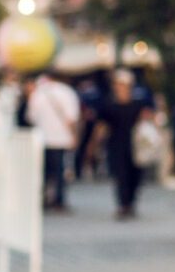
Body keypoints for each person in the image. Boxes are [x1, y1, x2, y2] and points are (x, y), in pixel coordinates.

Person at [94, 68, 157, 220]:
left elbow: (151, 118)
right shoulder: (109, 105)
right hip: (116, 144)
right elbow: (102, 125)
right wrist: (94, 144)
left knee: (135, 175)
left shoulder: (139, 103)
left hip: (135, 145)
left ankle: (131, 203)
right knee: (120, 175)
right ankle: (123, 205)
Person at [25, 69, 82, 212]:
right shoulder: (67, 92)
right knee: (60, 172)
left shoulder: (37, 94)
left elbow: (31, 117)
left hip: (42, 138)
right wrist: (75, 136)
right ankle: (59, 200)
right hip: (62, 138)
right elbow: (72, 118)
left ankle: (43, 199)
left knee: (43, 172)